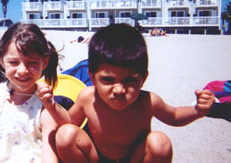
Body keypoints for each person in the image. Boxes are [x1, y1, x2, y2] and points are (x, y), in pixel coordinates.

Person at [55, 23, 215, 163]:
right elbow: (69, 122)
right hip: (96, 157)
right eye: (108, 80)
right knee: (65, 134)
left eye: (130, 80)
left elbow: (173, 116)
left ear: (143, 78)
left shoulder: (148, 101)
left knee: (160, 142)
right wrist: (51, 105)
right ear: (92, 77)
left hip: (134, 158)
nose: (119, 89)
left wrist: (197, 111)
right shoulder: (88, 97)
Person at [0, 23, 68, 163]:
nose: (22, 70)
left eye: (32, 63)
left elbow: (49, 152)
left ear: (44, 62)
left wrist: (51, 106)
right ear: (1, 60)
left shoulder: (43, 105)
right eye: (14, 62)